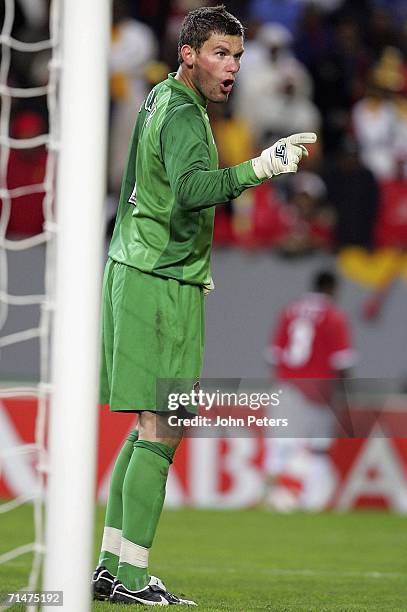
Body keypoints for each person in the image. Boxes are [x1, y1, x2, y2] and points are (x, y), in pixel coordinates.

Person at [92, 5, 317, 606]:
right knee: (163, 427)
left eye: (237, 56)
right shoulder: (186, 114)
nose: (232, 67)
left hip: (141, 271)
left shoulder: (162, 98)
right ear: (188, 53)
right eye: (220, 53)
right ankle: (131, 578)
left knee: (149, 427)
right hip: (157, 281)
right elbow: (192, 191)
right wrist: (261, 166)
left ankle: (114, 568)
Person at [263, 270, 357, 511]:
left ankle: (273, 499)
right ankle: (313, 504)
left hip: (287, 386)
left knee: (279, 445)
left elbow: (273, 357)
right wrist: (342, 394)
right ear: (332, 288)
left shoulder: (289, 311)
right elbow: (343, 362)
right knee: (318, 450)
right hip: (319, 391)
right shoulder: (334, 316)